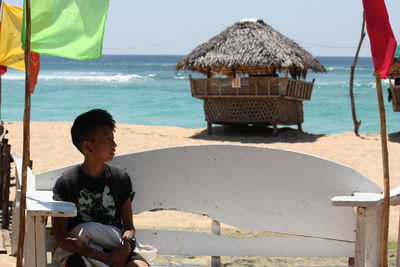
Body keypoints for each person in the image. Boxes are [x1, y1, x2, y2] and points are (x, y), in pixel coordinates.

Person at [52, 109, 149, 267]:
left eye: (113, 139)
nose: (114, 145)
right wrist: (98, 255)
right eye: (108, 139)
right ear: (88, 147)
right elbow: (61, 237)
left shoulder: (120, 179)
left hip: (116, 246)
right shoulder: (66, 183)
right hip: (81, 251)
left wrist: (125, 247)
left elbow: (128, 226)